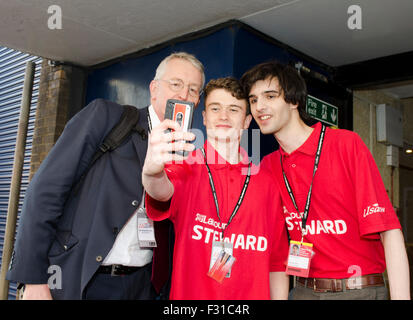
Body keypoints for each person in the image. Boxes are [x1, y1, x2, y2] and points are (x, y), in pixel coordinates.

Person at [6, 52, 205, 300]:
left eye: (194, 90)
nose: (184, 95)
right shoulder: (107, 116)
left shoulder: (187, 155)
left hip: (140, 285)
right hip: (81, 279)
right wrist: (33, 279)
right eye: (176, 84)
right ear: (154, 89)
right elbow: (45, 190)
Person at [240, 61, 410, 300]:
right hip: (301, 290)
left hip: (356, 291)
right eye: (253, 99)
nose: (259, 106)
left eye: (270, 96)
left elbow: (389, 231)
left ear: (294, 100)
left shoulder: (345, 144)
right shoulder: (267, 167)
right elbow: (272, 250)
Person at [142, 77, 289, 300]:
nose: (223, 116)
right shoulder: (185, 166)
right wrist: (151, 173)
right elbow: (161, 191)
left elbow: (277, 263)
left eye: (234, 109)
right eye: (215, 108)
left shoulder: (267, 183)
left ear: (247, 120)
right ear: (204, 117)